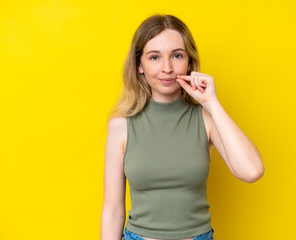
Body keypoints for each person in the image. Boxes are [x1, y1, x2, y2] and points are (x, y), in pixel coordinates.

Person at [101, 14, 264, 240]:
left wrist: (211, 103)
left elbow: (252, 171)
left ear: (189, 62)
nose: (167, 68)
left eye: (176, 55)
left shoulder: (205, 119)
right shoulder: (121, 126)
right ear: (139, 65)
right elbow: (112, 210)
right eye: (154, 57)